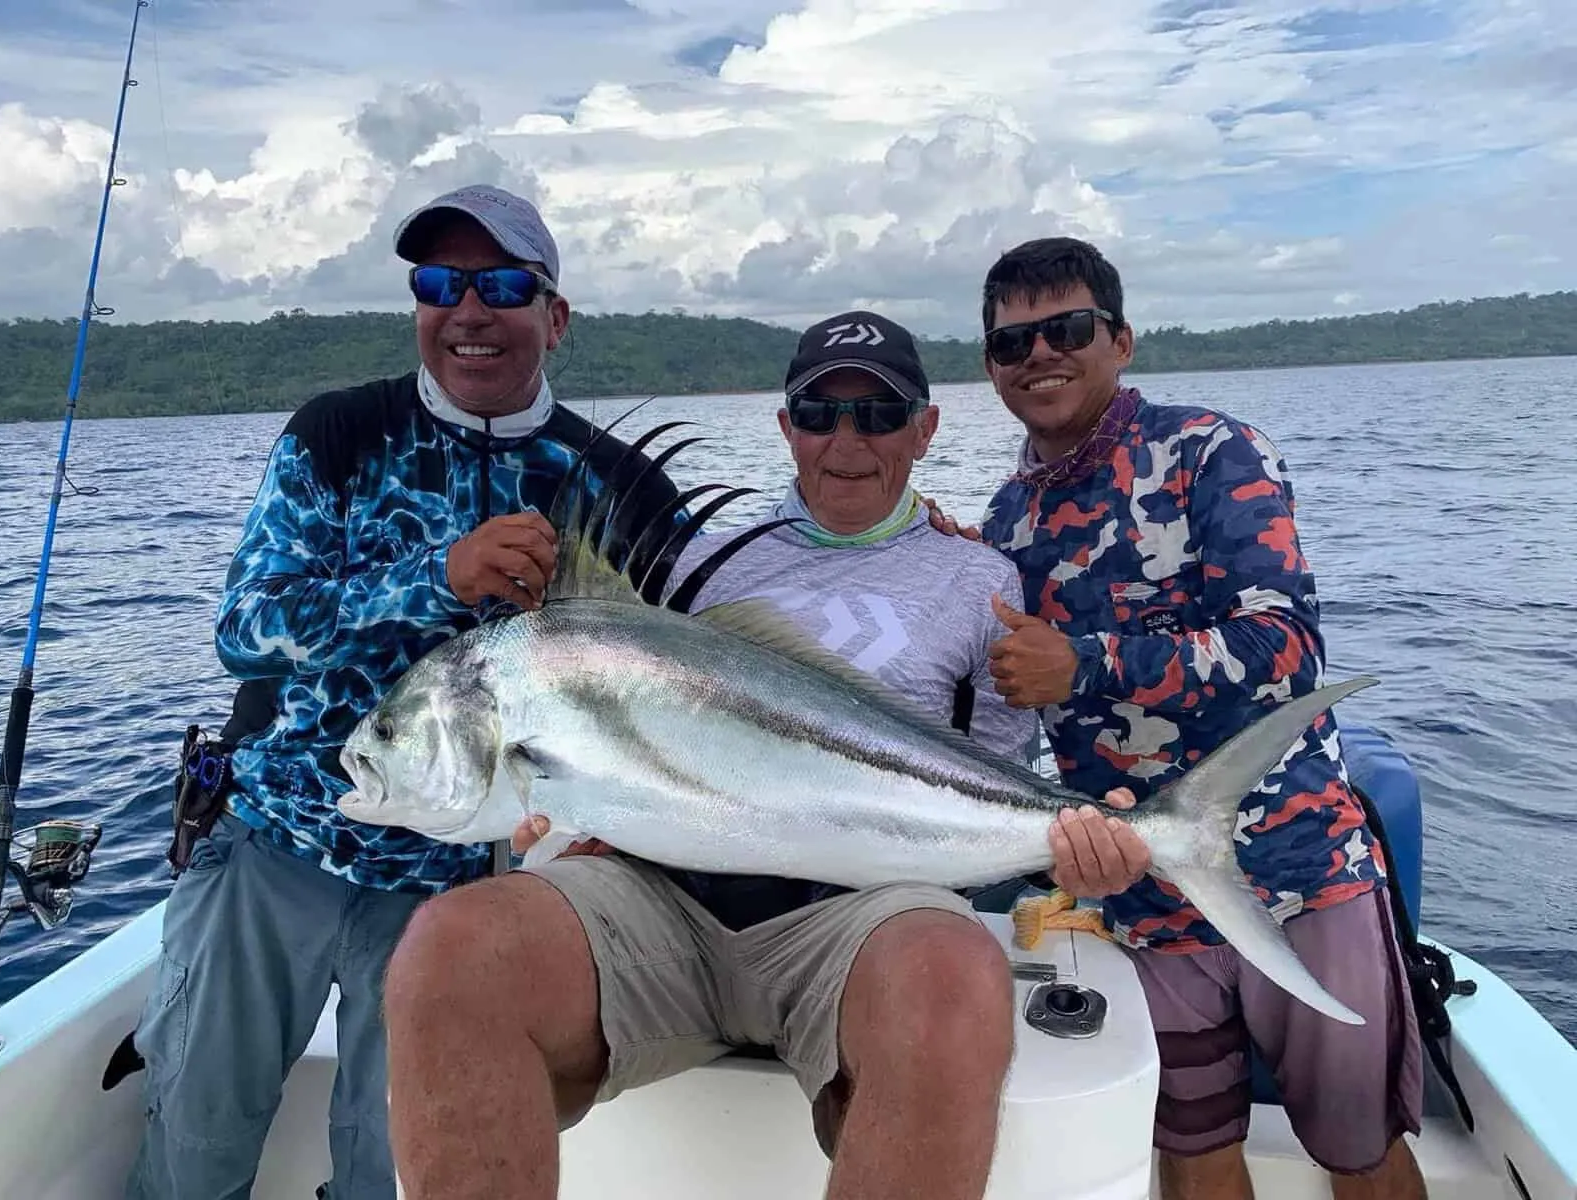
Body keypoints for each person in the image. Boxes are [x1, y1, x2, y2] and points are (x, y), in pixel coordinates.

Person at [380, 309, 1152, 1200]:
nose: (847, 440)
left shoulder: (978, 580)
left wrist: (1068, 848)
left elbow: (984, 784)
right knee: (452, 948)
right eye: (820, 415)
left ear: (927, 428)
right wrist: (575, 818)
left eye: (880, 412)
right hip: (664, 901)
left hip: (860, 918)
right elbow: (620, 737)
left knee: (953, 978)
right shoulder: (700, 565)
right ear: (786, 428)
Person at [124, 185, 681, 1200]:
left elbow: (688, 685)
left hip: (469, 882)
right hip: (279, 843)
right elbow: (243, 632)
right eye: (439, 283)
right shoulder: (338, 435)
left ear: (555, 316)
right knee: (193, 1143)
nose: (469, 310)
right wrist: (434, 577)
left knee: (400, 1165)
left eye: (505, 284)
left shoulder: (623, 487)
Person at [962, 236, 1427, 1200]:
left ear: (1121, 340)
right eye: (1014, 344)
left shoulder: (1212, 451)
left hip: (1299, 875)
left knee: (1360, 1148)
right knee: (1191, 1146)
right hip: (1139, 897)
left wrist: (1083, 662)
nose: (1040, 355)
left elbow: (1285, 649)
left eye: (1067, 329)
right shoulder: (1001, 525)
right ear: (990, 369)